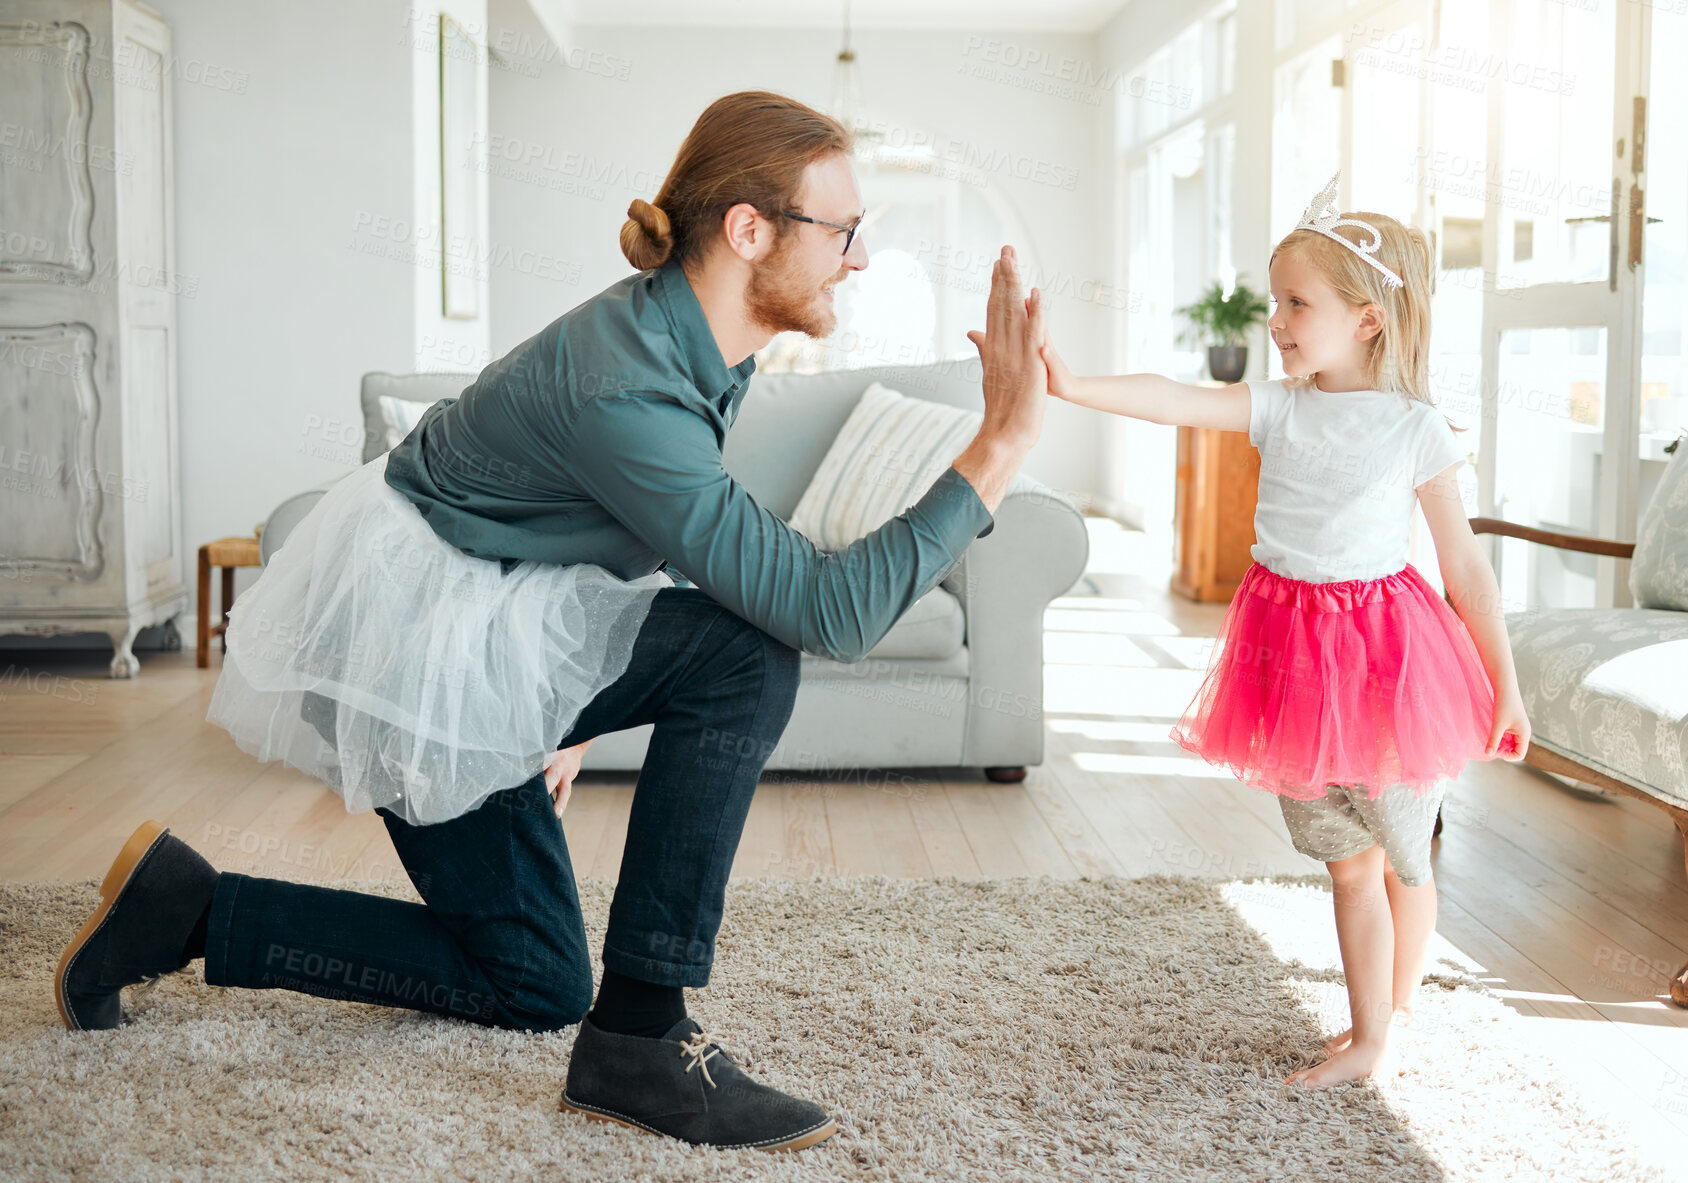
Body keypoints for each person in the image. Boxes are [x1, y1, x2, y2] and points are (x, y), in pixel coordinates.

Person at [53, 91, 1051, 1149]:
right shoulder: (626, 387)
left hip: (481, 629)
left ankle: (189, 910)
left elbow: (577, 519)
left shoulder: (699, 345)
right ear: (749, 230)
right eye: (844, 231)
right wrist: (997, 446)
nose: (857, 258)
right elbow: (823, 610)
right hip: (415, 651)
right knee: (745, 649)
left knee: (533, 977)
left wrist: (556, 697)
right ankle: (641, 1038)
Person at [1039, 172, 1531, 1087]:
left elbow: (1464, 568)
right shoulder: (1281, 405)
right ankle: (1367, 1024)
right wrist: (1070, 384)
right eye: (1276, 301)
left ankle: (1394, 1019)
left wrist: (1504, 682)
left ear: (1368, 319)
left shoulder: (1416, 429)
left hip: (1388, 664)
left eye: (1296, 302)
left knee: (1404, 859)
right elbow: (1172, 397)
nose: (1277, 320)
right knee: (1345, 865)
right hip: (1291, 659)